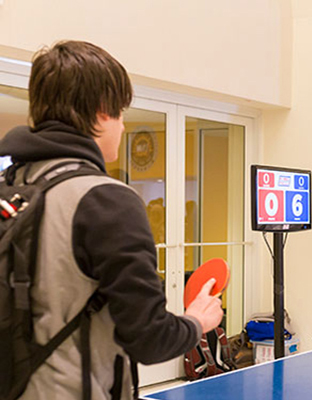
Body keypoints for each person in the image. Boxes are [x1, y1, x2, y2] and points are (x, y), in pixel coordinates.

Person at [0, 40, 222, 399]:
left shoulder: (9, 188)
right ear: (103, 111)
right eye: (120, 112)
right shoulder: (105, 199)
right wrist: (198, 320)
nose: (122, 125)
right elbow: (151, 339)